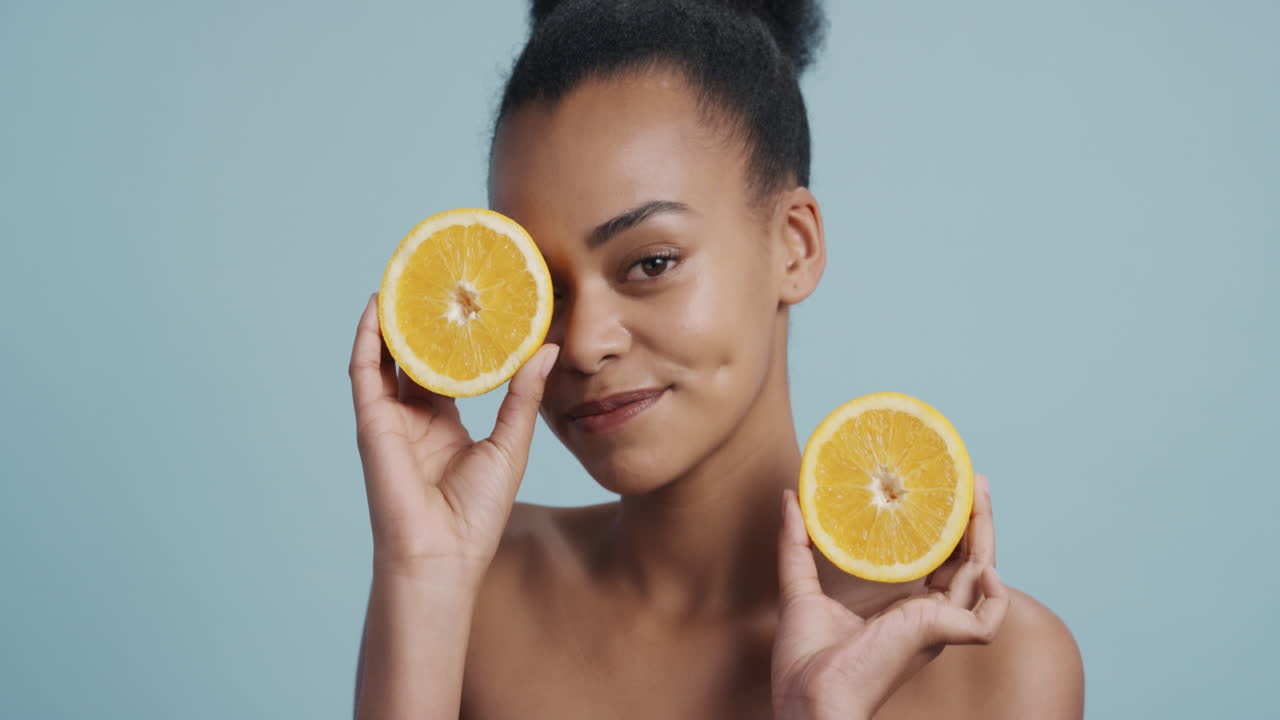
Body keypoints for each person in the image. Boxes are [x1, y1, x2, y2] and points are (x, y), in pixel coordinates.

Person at [348, 1, 1085, 717]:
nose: (582, 343)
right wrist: (422, 575)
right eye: (545, 290)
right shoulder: (473, 591)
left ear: (793, 246)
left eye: (651, 262)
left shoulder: (997, 669)